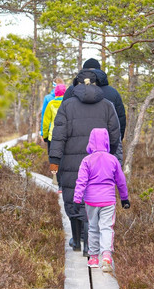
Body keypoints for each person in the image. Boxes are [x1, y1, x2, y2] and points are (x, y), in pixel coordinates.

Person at [49, 69, 121, 256]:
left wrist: (55, 160)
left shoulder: (67, 105)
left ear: (77, 84)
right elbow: (115, 136)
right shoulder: (107, 105)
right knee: (93, 198)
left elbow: (58, 135)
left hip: (71, 160)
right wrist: (111, 157)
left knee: (74, 197)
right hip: (99, 162)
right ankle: (90, 245)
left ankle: (76, 242)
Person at [74, 128, 130, 272]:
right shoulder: (113, 159)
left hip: (91, 200)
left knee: (93, 227)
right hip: (108, 200)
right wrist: (124, 198)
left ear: (91, 141)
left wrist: (76, 199)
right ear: (106, 141)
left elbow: (81, 181)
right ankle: (106, 256)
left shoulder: (86, 160)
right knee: (106, 227)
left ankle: (93, 257)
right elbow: (121, 181)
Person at [63, 58, 126, 141]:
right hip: (103, 145)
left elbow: (62, 119)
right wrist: (116, 142)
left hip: (73, 143)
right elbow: (120, 119)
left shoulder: (71, 90)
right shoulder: (112, 92)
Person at [42, 83, 66, 191]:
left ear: (55, 93)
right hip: (65, 137)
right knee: (64, 159)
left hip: (53, 137)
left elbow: (46, 122)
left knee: (54, 160)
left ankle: (57, 181)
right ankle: (63, 185)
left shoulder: (51, 103)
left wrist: (45, 135)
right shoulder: (67, 104)